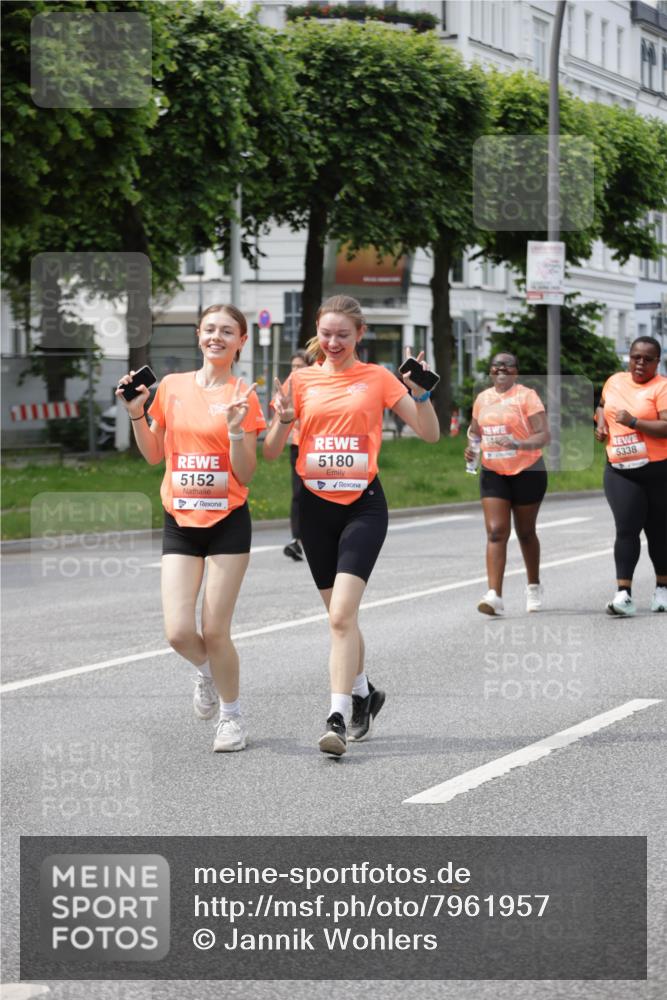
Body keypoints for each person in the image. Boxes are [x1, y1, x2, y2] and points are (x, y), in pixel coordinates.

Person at [263, 294, 439, 757]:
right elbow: (268, 449)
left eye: (343, 335)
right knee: (339, 618)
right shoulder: (299, 381)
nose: (334, 342)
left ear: (360, 334)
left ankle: (337, 716)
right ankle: (365, 693)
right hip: (314, 509)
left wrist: (421, 395)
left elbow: (429, 433)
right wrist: (282, 422)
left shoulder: (378, 378)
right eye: (326, 334)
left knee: (341, 615)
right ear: (316, 334)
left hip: (363, 506)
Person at [115, 304, 265, 752]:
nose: (216, 337)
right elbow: (154, 455)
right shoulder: (173, 387)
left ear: (241, 341)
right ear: (198, 335)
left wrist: (237, 431)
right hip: (180, 519)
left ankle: (232, 719)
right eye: (209, 329)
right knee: (179, 631)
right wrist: (138, 414)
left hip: (227, 523)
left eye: (227, 331)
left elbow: (246, 474)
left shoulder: (244, 393)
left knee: (215, 630)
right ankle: (206, 672)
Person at [464, 352, 550, 616]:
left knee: (525, 532)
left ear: (516, 371)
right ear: (490, 371)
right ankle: (494, 595)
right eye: (496, 365)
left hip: (528, 470)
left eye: (508, 365)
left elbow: (544, 435)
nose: (501, 368)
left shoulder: (526, 396)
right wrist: (471, 450)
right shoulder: (482, 399)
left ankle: (533, 586)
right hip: (493, 471)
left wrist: (518, 444)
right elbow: (474, 433)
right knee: (496, 531)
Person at [595, 335, 667, 616]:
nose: (640, 363)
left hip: (658, 471)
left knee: (659, 531)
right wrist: (600, 425)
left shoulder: (661, 387)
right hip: (620, 470)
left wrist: (634, 422)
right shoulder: (614, 381)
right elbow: (602, 407)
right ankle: (623, 594)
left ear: (656, 362)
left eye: (647, 359)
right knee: (626, 528)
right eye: (635, 357)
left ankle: (662, 588)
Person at [282, 349, 314, 562]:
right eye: (293, 367)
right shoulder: (290, 384)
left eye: (300, 367)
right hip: (297, 445)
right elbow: (278, 407)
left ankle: (318, 536)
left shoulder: (316, 383)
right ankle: (296, 540)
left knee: (317, 494)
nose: (295, 371)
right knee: (298, 494)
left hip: (317, 447)